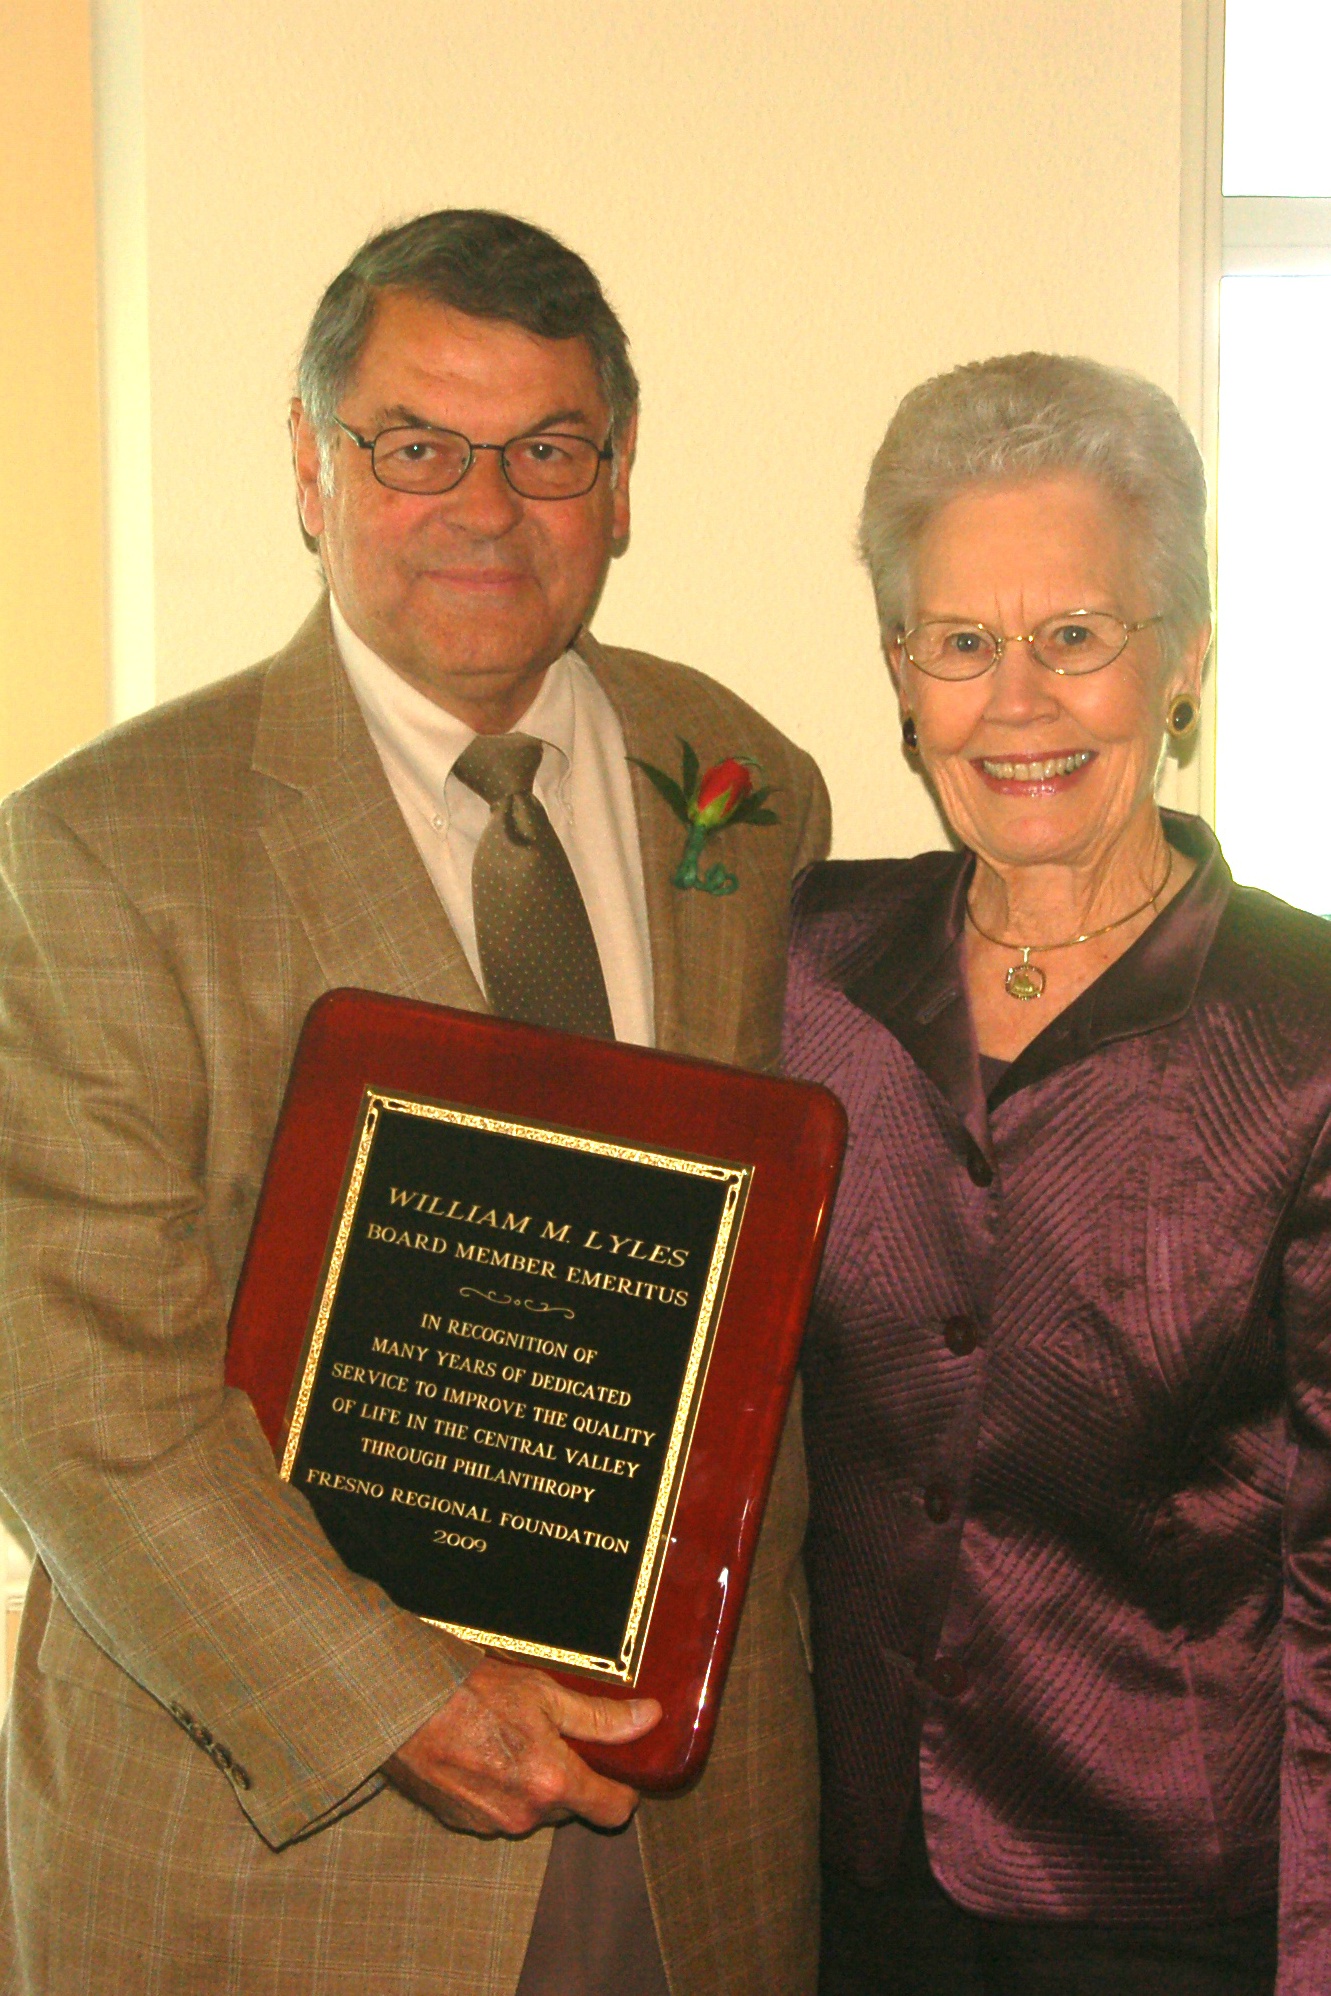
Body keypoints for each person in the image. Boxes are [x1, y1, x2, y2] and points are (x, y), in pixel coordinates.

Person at [0, 210, 829, 1995]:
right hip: (282, 1847)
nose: (487, 507)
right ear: (312, 469)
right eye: (416, 448)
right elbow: (71, 1390)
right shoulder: (100, 849)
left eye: (548, 449)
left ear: (621, 480)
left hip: (696, 1831)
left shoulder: (743, 783)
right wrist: (395, 1701)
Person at [783, 351, 1331, 1995]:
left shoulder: (1306, 1028)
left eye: (1076, 636)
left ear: (1187, 658)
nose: (1015, 702)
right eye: (960, 643)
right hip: (848, 1882)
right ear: (902, 674)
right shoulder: (803, 973)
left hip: (1175, 1912)